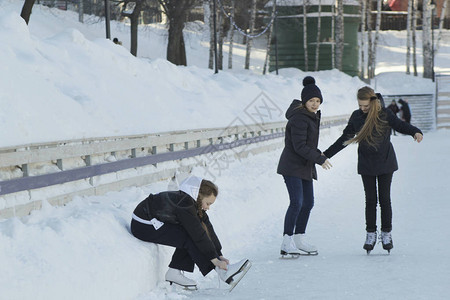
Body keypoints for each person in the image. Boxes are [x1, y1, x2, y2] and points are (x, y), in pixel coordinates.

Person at [323, 86, 423, 254]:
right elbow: (345, 138)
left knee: (384, 199)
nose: (363, 109)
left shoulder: (384, 114)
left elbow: (400, 125)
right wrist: (325, 155)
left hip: (385, 162)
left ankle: (386, 234)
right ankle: (370, 234)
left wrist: (415, 132)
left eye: (365, 106)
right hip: (366, 163)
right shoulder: (356, 116)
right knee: (370, 200)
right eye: (360, 105)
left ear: (373, 102)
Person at [130, 176, 250, 289]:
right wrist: (215, 261)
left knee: (192, 232)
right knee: (190, 235)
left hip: (153, 221)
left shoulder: (193, 204)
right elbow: (197, 233)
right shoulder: (185, 204)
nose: (208, 207)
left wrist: (219, 255)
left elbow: (207, 228)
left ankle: (174, 272)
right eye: (208, 203)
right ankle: (220, 272)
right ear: (198, 196)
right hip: (143, 225)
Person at [277, 76, 332, 256]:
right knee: (297, 202)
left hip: (304, 166)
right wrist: (319, 158)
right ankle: (287, 240)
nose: (315, 104)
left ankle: (299, 237)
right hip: (292, 166)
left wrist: (318, 154)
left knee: (308, 203)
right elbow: (299, 146)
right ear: (304, 101)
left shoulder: (311, 116)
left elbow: (307, 143)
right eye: (311, 101)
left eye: (317, 101)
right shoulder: (299, 118)